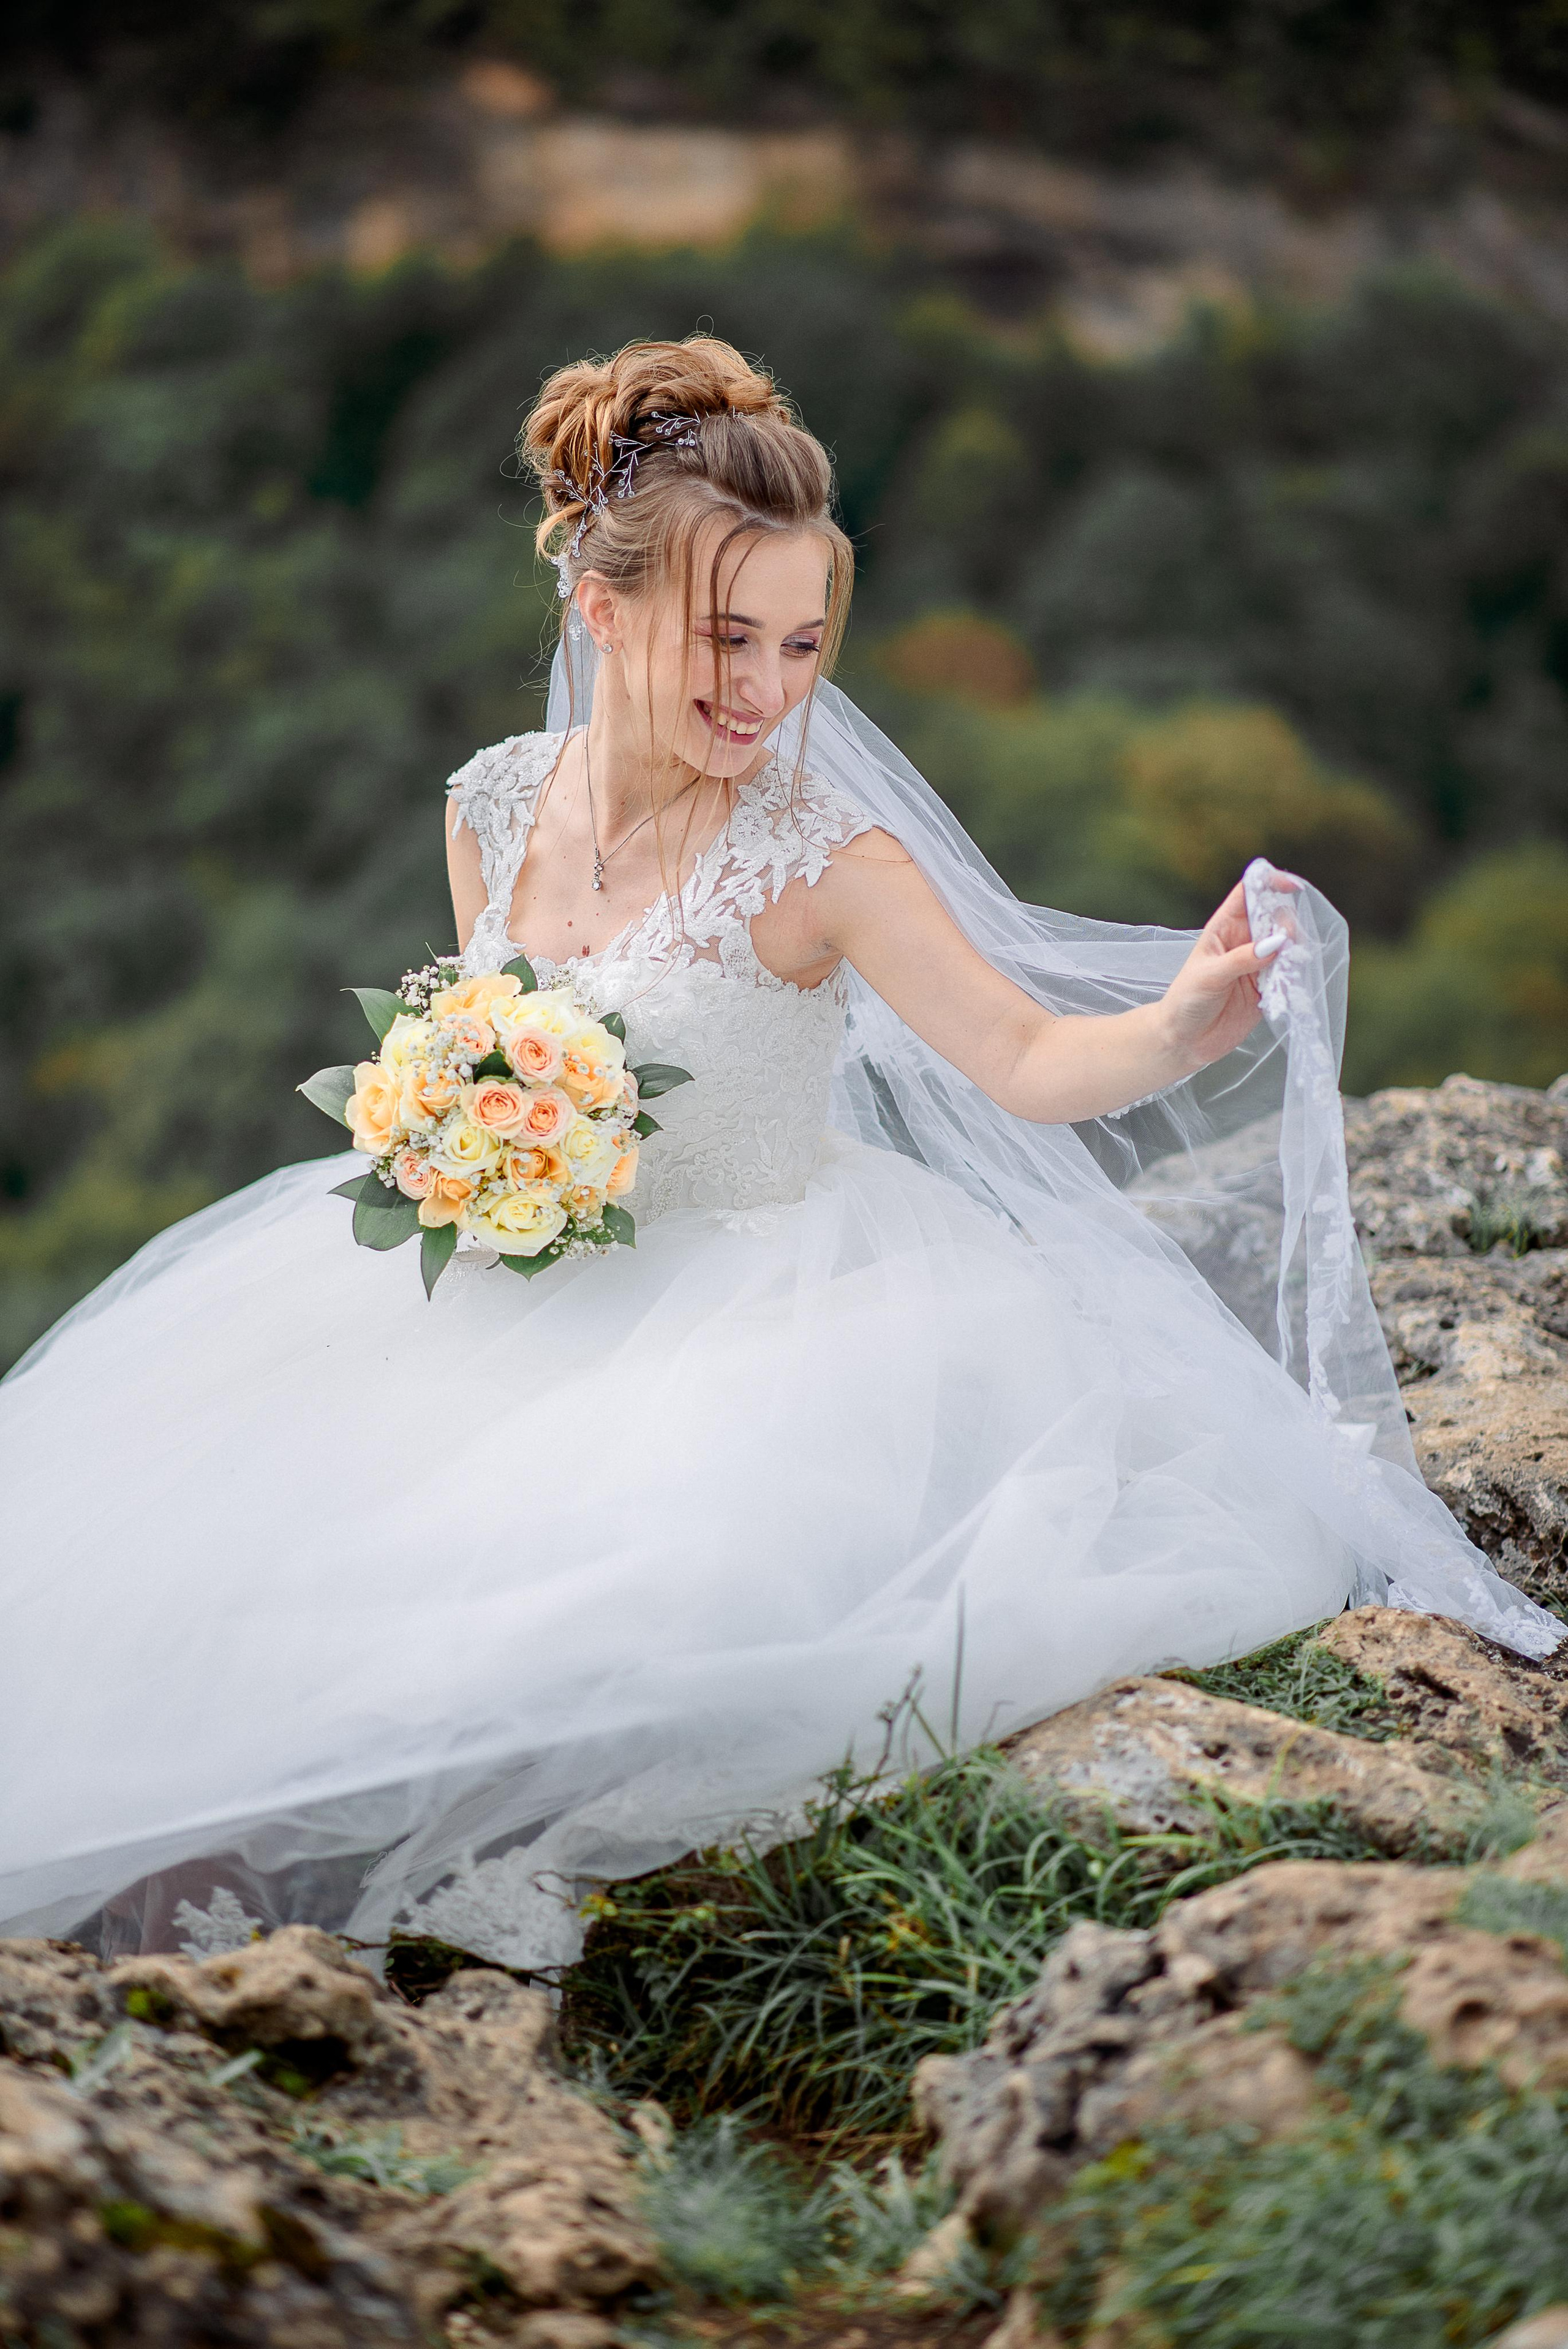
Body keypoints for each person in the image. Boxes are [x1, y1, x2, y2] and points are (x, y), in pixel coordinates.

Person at [0, 336, 1555, 1971]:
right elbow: (487, 1027)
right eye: (724, 635)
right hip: (527, 1277)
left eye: (803, 642)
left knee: (606, 1597)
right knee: (234, 1556)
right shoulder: (491, 805)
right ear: (598, 609)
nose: (767, 688)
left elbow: (1024, 1054)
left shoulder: (825, 855)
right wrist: (463, 1137)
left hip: (769, 1299)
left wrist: (1177, 1026)